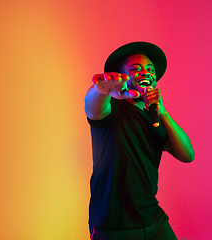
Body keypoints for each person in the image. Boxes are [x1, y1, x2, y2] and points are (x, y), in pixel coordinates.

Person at [84, 42, 195, 240]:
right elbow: (93, 107)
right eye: (136, 68)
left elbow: (187, 155)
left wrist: (163, 113)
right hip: (114, 224)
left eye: (150, 69)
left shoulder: (155, 118)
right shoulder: (110, 110)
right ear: (122, 77)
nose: (146, 72)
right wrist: (101, 91)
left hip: (153, 219)